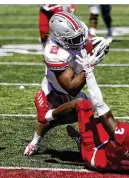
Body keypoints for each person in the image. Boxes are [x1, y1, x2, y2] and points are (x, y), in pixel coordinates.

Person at [55, 56, 129, 171]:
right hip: (117, 156)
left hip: (95, 156)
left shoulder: (126, 135)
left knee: (84, 106)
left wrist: (88, 72)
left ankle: (53, 119)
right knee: (107, 129)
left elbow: (100, 106)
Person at [24, 11, 110, 156]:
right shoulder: (54, 53)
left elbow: (87, 42)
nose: (80, 40)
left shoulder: (77, 31)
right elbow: (72, 87)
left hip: (74, 77)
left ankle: (83, 139)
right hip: (54, 88)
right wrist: (90, 66)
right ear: (60, 39)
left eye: (80, 36)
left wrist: (101, 45)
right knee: (46, 122)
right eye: (74, 39)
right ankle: (36, 140)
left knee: (86, 113)